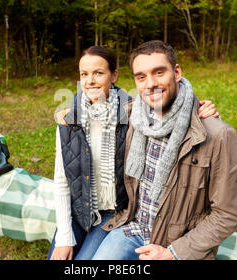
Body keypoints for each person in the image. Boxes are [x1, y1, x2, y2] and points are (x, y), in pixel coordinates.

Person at [48, 45, 219, 260]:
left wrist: (200, 108)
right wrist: (64, 238)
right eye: (84, 74)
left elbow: (172, 106)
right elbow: (61, 182)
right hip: (79, 210)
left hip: (113, 213)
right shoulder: (67, 122)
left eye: (98, 73)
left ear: (114, 75)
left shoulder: (134, 115)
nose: (90, 81)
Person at [91, 40, 237, 260]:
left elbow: (227, 214)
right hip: (133, 229)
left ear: (177, 72)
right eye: (141, 77)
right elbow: (94, 109)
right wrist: (67, 116)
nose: (151, 83)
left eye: (159, 72)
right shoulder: (134, 116)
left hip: (178, 244)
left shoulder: (217, 135)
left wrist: (172, 253)